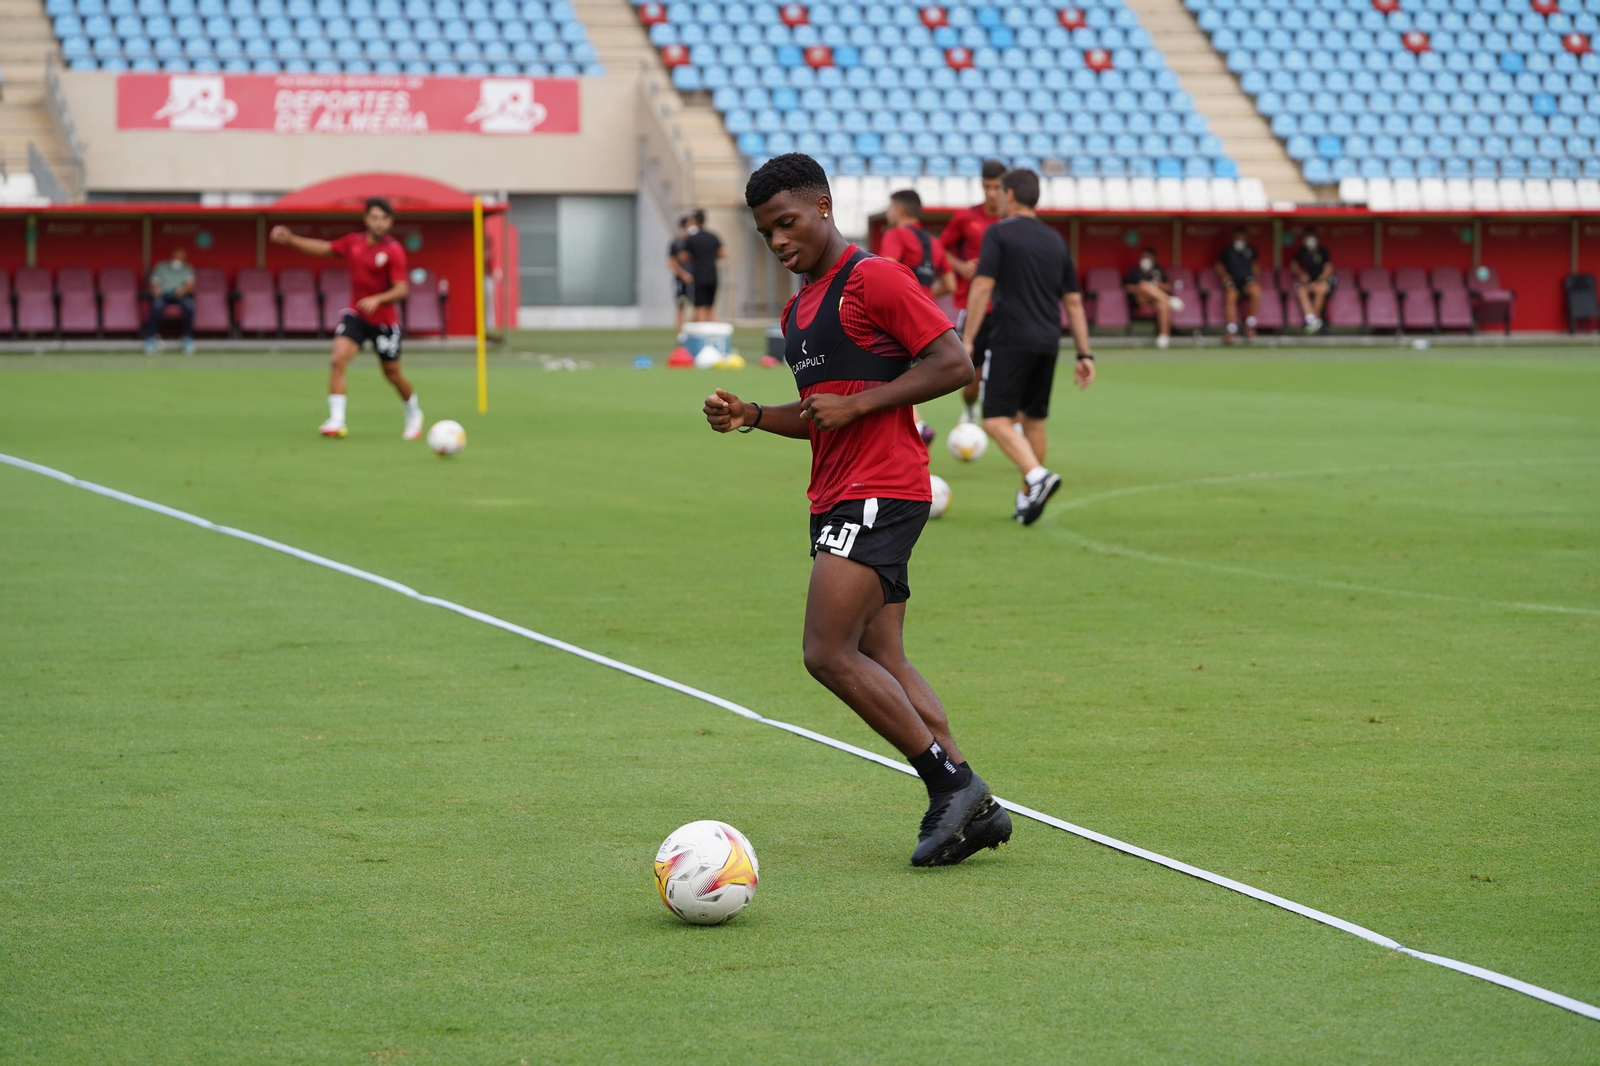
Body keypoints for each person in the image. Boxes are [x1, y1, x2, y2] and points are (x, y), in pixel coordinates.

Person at [702, 153, 1012, 867]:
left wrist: (862, 404)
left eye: (787, 223)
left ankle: (949, 786)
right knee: (881, 653)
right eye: (765, 233)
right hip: (839, 491)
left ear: (823, 206)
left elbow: (955, 362)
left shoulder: (872, 277)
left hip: (883, 486)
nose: (779, 241)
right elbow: (822, 414)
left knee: (826, 651)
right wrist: (751, 413)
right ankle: (979, 805)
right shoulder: (798, 307)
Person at [958, 168, 1095, 526]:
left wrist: (969, 338)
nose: (998, 199)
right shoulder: (1055, 241)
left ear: (1012, 195)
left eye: (1001, 193)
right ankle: (1027, 499)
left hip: (1011, 339)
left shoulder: (999, 233)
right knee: (1034, 419)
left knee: (995, 418)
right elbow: (1075, 301)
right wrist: (1084, 353)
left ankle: (1036, 476)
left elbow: (983, 286)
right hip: (1048, 341)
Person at [270, 197, 421, 440]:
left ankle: (413, 412)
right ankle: (336, 420)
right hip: (357, 315)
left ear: (390, 222)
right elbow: (325, 248)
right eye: (374, 218)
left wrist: (378, 299)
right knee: (337, 359)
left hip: (384, 322)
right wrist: (291, 239)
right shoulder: (354, 242)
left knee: (392, 373)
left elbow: (402, 289)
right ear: (366, 219)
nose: (379, 223)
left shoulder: (393, 251)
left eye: (384, 219)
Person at [879, 188, 956, 440]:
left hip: (897, 317)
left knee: (879, 376)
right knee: (898, 376)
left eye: (889, 208)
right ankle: (915, 427)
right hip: (926, 319)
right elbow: (950, 284)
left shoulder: (895, 234)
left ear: (899, 210)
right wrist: (923, 294)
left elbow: (885, 272)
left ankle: (918, 427)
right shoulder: (933, 242)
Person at [938, 159, 1006, 421]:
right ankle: (969, 407)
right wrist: (960, 265)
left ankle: (1015, 424)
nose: (991, 193)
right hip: (976, 309)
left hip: (1007, 310)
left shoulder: (1011, 220)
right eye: (986, 186)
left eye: (996, 187)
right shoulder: (966, 217)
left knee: (1011, 373)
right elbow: (940, 248)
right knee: (971, 380)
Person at [1123, 246, 1182, 349]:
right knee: (1144, 285)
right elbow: (1127, 287)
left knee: (1163, 306)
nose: (1145, 259)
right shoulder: (1135, 271)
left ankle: (1163, 338)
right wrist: (1143, 288)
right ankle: (1169, 300)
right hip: (1141, 299)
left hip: (1156, 300)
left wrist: (1158, 286)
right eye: (1144, 257)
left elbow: (1167, 286)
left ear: (1153, 259)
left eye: (1148, 257)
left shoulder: (1158, 271)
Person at [143, 246, 195, 355]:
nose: (179, 259)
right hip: (163, 295)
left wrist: (182, 290)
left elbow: (190, 285)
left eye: (181, 257)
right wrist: (156, 291)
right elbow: (153, 284)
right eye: (177, 256)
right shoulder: (161, 267)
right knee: (156, 306)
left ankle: (187, 339)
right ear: (172, 256)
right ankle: (151, 338)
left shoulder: (187, 268)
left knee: (190, 306)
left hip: (180, 296)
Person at [1214, 226, 1261, 343]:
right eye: (1238, 236)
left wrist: (1254, 278)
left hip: (1247, 282)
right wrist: (1225, 277)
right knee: (1230, 296)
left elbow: (1255, 266)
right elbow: (1218, 265)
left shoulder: (1250, 250)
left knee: (1256, 291)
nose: (1240, 239)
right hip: (1233, 283)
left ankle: (1250, 326)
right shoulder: (1228, 250)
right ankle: (1231, 330)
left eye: (1242, 236)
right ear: (1234, 237)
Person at [678, 209, 725, 322]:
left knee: (700, 307)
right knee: (711, 307)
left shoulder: (692, 238)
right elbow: (723, 254)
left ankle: (702, 336)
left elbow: (682, 257)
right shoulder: (713, 236)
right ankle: (712, 335)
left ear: (694, 221)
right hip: (712, 275)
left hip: (699, 276)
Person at [1291, 227, 1333, 334]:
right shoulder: (1302, 251)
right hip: (1309, 282)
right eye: (1307, 236)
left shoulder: (1322, 251)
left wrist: (1320, 279)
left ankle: (1312, 321)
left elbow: (1328, 268)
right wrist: (1301, 275)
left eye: (1312, 236)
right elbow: (1293, 264)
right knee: (1301, 290)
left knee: (1320, 290)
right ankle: (1312, 320)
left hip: (1323, 281)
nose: (1310, 239)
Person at [668, 215, 693, 332]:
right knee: (680, 305)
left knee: (696, 306)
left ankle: (693, 331)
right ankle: (681, 333)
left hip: (695, 278)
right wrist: (683, 275)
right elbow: (671, 262)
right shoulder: (676, 243)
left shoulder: (694, 241)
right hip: (680, 280)